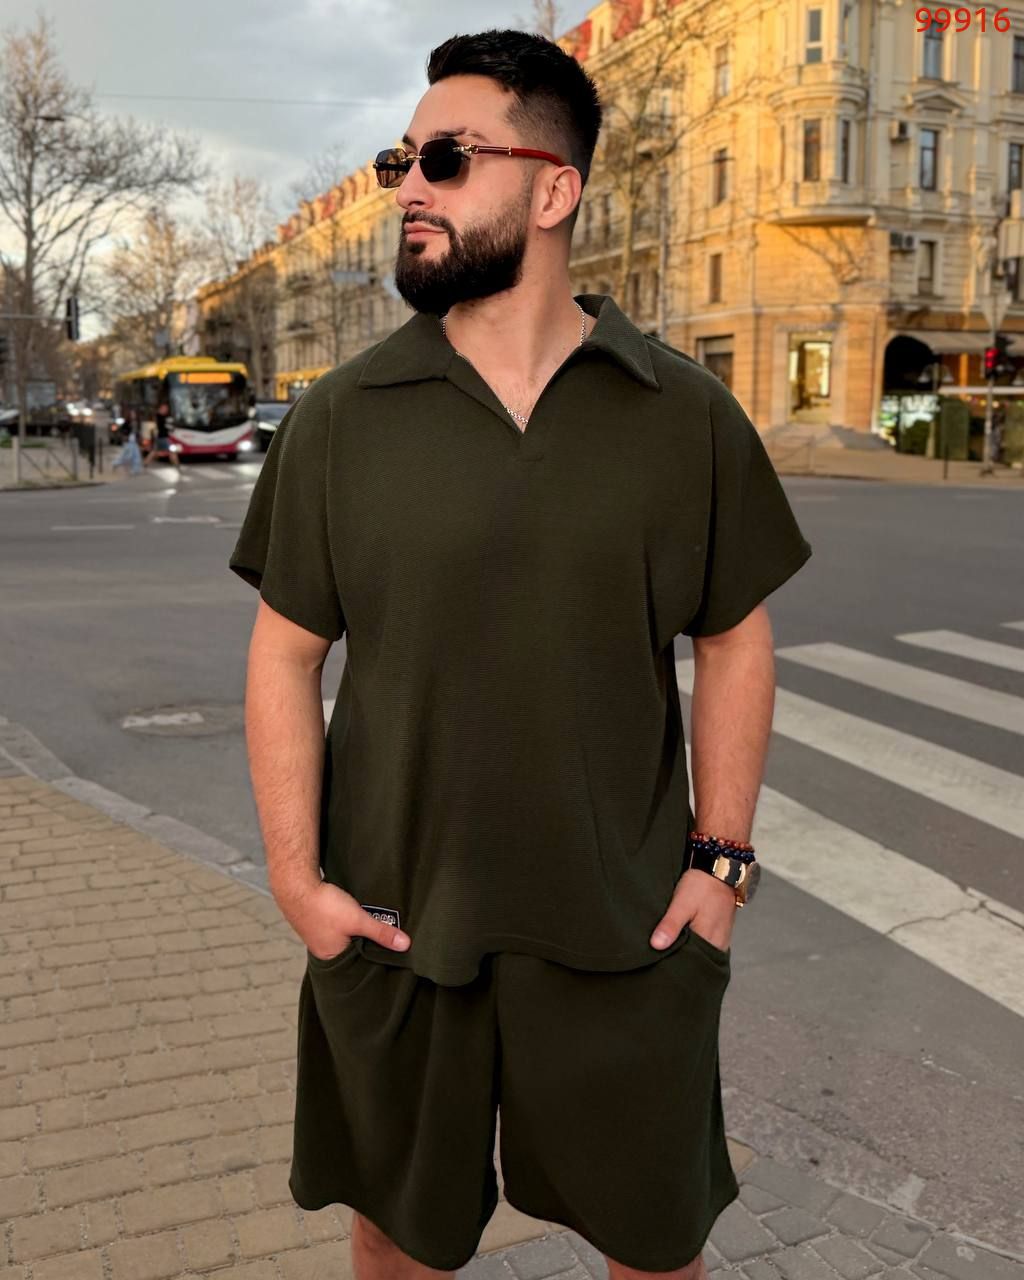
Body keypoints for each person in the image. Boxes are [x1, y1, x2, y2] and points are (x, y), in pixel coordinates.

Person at [229, 28, 812, 1280]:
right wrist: (295, 880)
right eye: (401, 161)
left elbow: (733, 634)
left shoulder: (684, 415)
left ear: (554, 192)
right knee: (394, 1242)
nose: (409, 188)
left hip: (627, 933)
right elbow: (283, 655)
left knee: (656, 1247)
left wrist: (721, 864)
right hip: (394, 930)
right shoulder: (339, 418)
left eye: (446, 158)